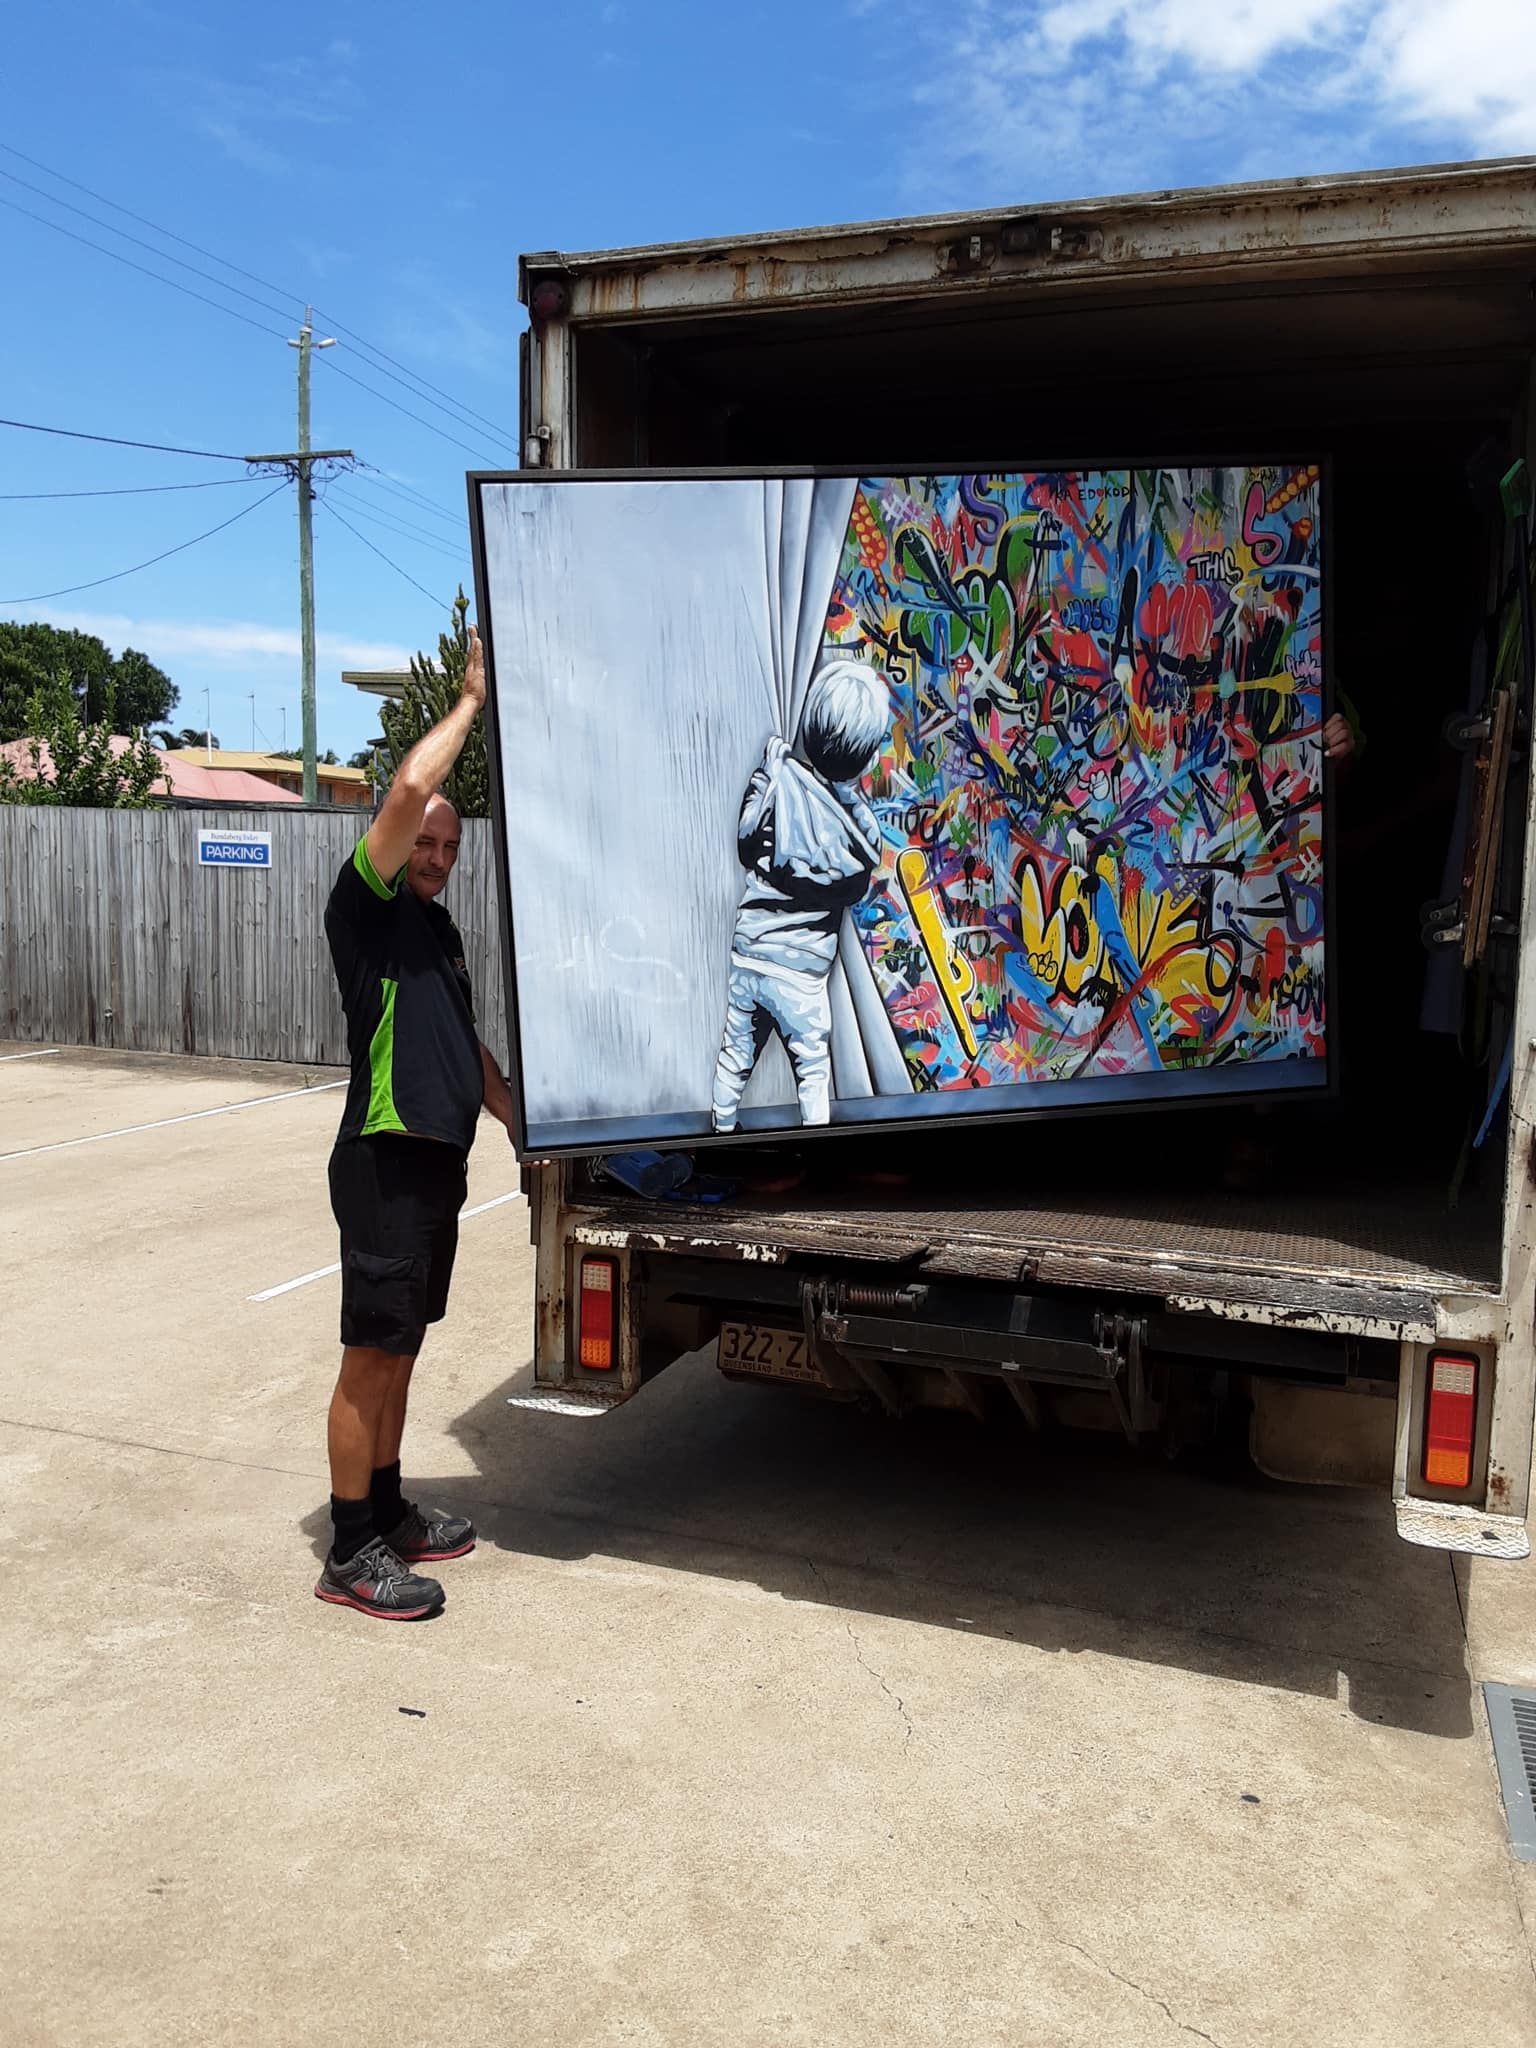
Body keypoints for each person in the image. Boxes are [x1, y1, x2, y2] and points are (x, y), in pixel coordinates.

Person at [314, 624, 517, 1620]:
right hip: (384, 1162)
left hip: (438, 1165)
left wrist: (513, 1108)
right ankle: (350, 1548)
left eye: (447, 845)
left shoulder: (436, 933)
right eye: (424, 842)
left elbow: (462, 1043)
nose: (433, 855)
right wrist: (472, 701)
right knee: (370, 1350)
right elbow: (401, 792)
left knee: (403, 1345)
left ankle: (385, 1508)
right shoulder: (366, 911)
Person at [711, 659, 888, 1133]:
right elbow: (853, 889)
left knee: (735, 1054)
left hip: (750, 959)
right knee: (812, 1071)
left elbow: (747, 847)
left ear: (807, 729)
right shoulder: (862, 829)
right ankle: (816, 1146)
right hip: (804, 978)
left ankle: (720, 1129)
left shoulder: (780, 783)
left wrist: (766, 774)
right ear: (868, 757)